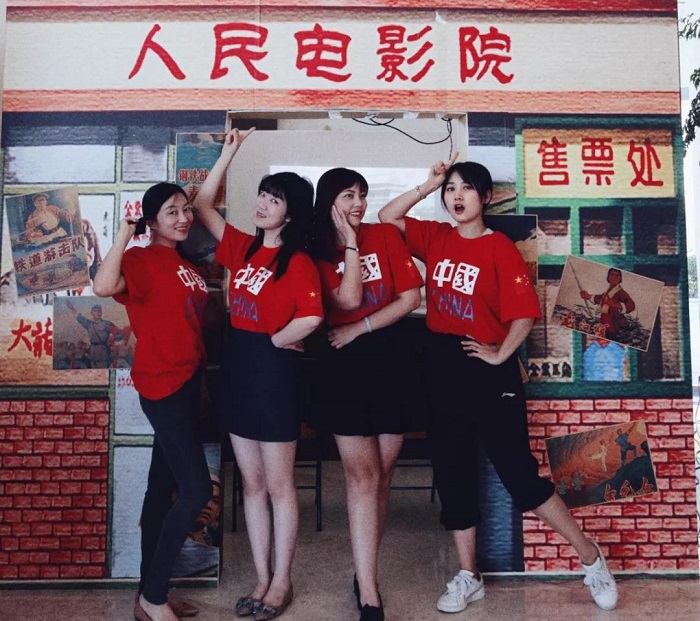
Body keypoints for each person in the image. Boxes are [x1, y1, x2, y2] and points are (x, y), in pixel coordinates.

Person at [378, 156, 619, 613]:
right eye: (451, 189)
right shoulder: (436, 237)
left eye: (466, 188)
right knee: (453, 472)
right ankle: (469, 576)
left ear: (486, 197)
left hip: (488, 368)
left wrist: (499, 354)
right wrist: (428, 183)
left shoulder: (500, 248)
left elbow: (524, 313)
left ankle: (590, 558)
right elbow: (389, 216)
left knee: (518, 475)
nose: (456, 196)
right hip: (441, 365)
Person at [193, 128, 323, 621]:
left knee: (279, 484)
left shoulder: (299, 261)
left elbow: (313, 315)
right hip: (239, 369)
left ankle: (282, 581)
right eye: (263, 195)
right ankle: (262, 577)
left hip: (275, 374)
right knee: (251, 483)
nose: (263, 204)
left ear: (291, 213)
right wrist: (229, 152)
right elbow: (203, 205)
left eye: (275, 199)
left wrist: (277, 338)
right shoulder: (243, 248)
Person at [93, 182, 212, 621]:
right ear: (152, 221)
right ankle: (154, 598)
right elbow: (103, 286)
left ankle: (149, 593)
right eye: (171, 211)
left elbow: (191, 329)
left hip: (188, 382)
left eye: (185, 209)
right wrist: (127, 234)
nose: (183, 218)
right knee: (197, 490)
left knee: (162, 490)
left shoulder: (187, 266)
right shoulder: (139, 259)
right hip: (162, 385)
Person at [308, 168, 423, 621]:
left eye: (362, 194)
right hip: (344, 366)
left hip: (392, 358)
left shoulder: (386, 235)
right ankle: (370, 592)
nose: (358, 203)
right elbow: (346, 300)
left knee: (383, 473)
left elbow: (411, 298)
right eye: (348, 195)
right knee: (362, 476)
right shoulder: (316, 248)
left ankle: (364, 571)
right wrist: (352, 244)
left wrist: (362, 329)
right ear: (328, 200)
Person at [580, 267, 635, 340]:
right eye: (612, 274)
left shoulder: (621, 293)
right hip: (605, 322)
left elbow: (631, 305)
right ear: (608, 277)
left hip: (615, 324)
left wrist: (616, 305)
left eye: (617, 275)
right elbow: (600, 299)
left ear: (620, 278)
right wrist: (588, 296)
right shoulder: (607, 292)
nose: (614, 277)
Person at [65, 301, 116, 368]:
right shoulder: (89, 324)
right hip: (93, 353)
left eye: (99, 311)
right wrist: (72, 308)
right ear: (91, 313)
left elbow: (118, 333)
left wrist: (112, 338)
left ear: (101, 313)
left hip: (103, 352)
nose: (97, 313)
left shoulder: (107, 324)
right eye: (95, 311)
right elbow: (80, 318)